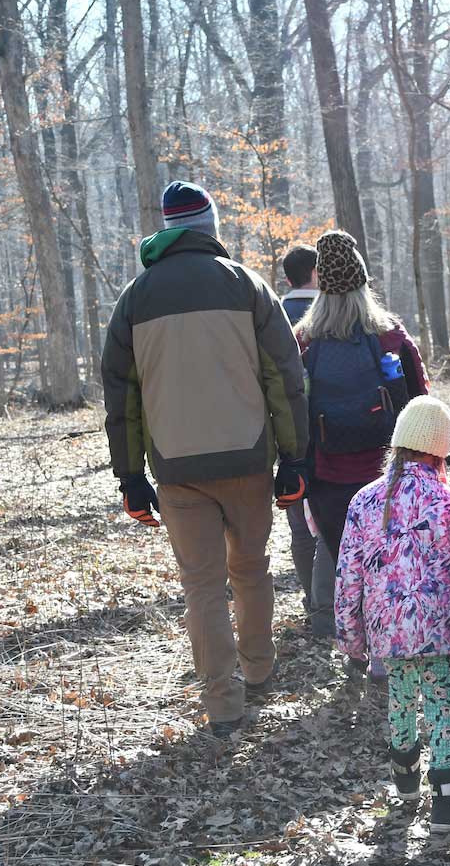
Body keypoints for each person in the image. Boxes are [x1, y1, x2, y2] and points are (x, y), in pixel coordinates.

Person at [101, 180, 309, 739]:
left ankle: (224, 705)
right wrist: (294, 458)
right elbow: (285, 379)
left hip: (175, 469)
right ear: (211, 228)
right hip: (246, 459)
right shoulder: (247, 286)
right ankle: (260, 671)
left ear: (168, 231)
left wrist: (130, 476)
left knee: (202, 587)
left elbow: (121, 397)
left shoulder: (135, 298)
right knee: (250, 569)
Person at [335, 397, 450, 833]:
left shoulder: (365, 501)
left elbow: (348, 575)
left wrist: (350, 636)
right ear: (440, 450)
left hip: (388, 629)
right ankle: (446, 803)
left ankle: (405, 781)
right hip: (439, 626)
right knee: (441, 706)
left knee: (400, 700)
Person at [295, 230, 428, 658]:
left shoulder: (304, 342)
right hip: (387, 472)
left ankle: (358, 646)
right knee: (388, 561)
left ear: (321, 287)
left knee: (344, 562)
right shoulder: (391, 336)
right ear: (364, 282)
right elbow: (422, 402)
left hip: (328, 475)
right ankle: (393, 648)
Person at [279, 243, 321, 618]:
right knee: (333, 521)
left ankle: (311, 597)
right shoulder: (329, 311)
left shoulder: (272, 312)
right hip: (330, 431)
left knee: (299, 527)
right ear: (315, 273)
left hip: (286, 435)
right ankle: (334, 602)